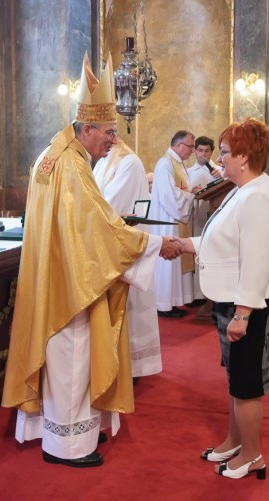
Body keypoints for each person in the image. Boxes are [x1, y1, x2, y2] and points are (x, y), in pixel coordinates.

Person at [1, 54, 181, 468]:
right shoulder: (71, 165)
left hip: (56, 275)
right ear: (86, 129)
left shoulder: (56, 155)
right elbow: (95, 230)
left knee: (65, 359)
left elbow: (86, 222)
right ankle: (67, 446)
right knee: (73, 358)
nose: (113, 140)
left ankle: (60, 434)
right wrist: (154, 244)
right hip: (71, 285)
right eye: (109, 132)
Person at [175, 118, 269, 480]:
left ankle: (253, 455)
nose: (219, 159)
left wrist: (242, 314)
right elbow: (226, 242)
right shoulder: (243, 189)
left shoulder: (257, 196)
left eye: (224, 152)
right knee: (236, 378)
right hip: (235, 299)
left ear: (244, 156)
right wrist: (186, 244)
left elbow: (255, 261)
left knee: (247, 383)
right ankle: (235, 441)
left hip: (251, 304)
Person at [93, 139, 162, 378]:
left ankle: (130, 367)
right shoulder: (102, 161)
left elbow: (111, 205)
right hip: (105, 246)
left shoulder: (128, 162)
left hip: (124, 248)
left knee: (129, 307)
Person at [148, 130, 202, 317]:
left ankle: (174, 301)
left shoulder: (177, 163)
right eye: (190, 147)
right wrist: (190, 196)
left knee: (176, 265)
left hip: (175, 219)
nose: (192, 151)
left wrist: (190, 192)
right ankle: (164, 305)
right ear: (179, 145)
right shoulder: (165, 163)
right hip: (168, 221)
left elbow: (178, 191)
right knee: (168, 264)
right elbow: (169, 195)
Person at [187, 135, 221, 304]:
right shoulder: (188, 172)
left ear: (211, 152)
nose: (203, 154)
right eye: (200, 150)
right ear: (194, 151)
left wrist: (220, 178)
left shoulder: (219, 171)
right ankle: (197, 294)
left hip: (215, 217)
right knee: (196, 252)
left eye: (207, 151)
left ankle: (214, 292)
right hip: (196, 217)